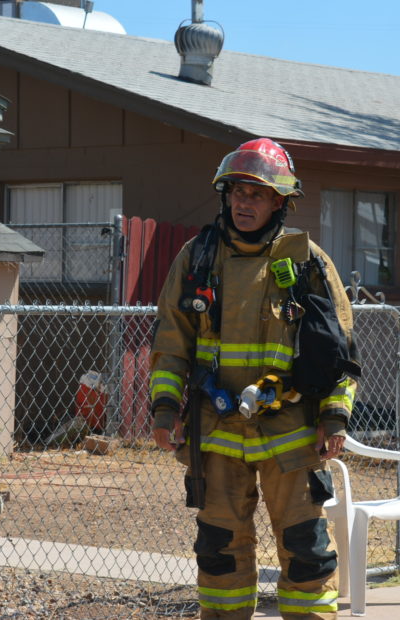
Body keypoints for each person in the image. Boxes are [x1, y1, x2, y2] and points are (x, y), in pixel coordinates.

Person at [149, 137, 360, 620]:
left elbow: (341, 353)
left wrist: (334, 417)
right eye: (238, 192)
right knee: (219, 549)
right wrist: (164, 409)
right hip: (217, 429)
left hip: (292, 431)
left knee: (306, 549)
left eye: (258, 194)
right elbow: (171, 341)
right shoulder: (198, 258)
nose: (245, 203)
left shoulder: (306, 260)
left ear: (280, 202)